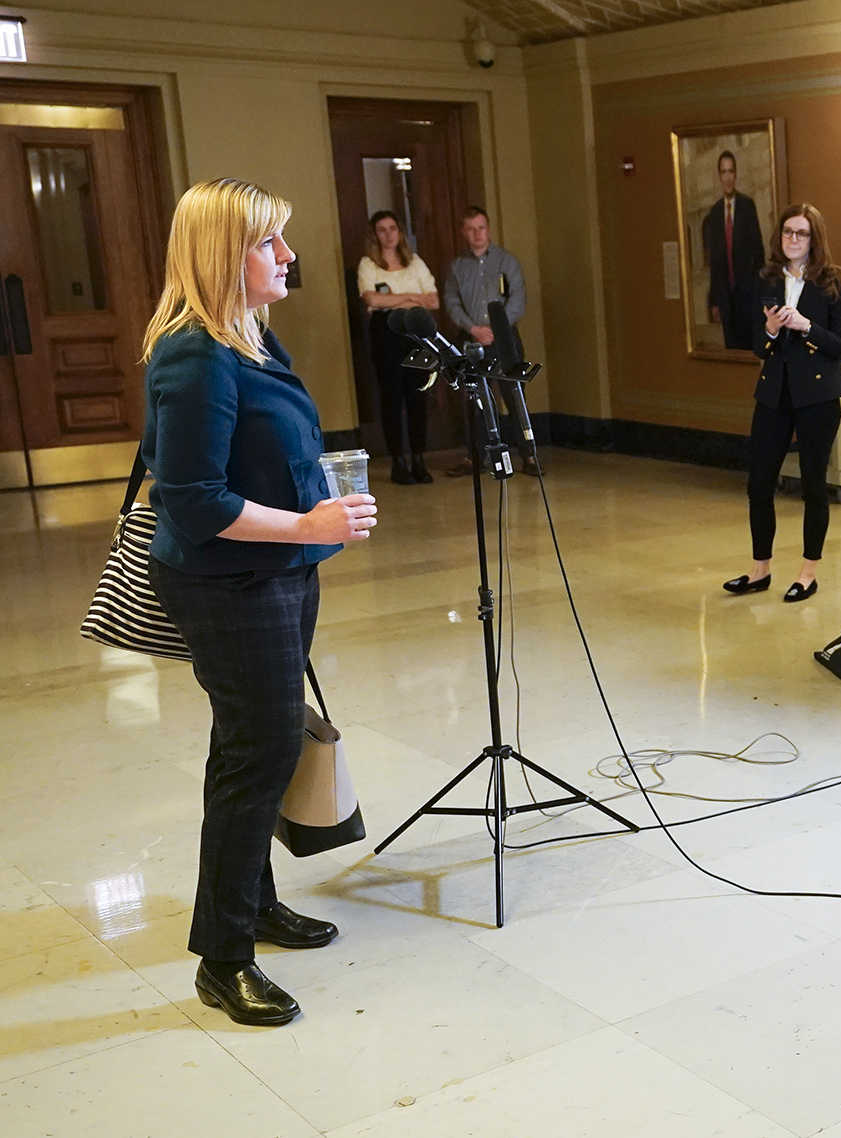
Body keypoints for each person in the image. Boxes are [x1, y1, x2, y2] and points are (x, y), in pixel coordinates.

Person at [141, 178, 379, 1027]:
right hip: (231, 582)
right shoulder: (194, 354)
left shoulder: (250, 340)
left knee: (252, 748)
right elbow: (196, 499)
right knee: (258, 753)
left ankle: (255, 902)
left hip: (278, 571)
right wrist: (310, 517)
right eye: (268, 243)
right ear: (220, 255)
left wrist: (316, 520)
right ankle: (223, 957)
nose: (287, 256)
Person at [723, 204, 841, 603]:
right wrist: (771, 329)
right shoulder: (765, 280)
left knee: (814, 484)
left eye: (801, 233)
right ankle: (759, 568)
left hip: (818, 394)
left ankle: (808, 572)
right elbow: (758, 346)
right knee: (759, 482)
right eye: (787, 233)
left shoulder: (835, 282)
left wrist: (806, 326)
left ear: (815, 239)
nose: (792, 240)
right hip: (774, 391)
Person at [442, 207, 532, 477]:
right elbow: (451, 301)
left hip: (505, 339)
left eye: (480, 228)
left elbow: (518, 299)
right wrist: (473, 328)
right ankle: (475, 458)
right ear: (463, 232)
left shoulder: (507, 261)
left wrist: (495, 328)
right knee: (476, 400)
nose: (476, 234)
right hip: (472, 340)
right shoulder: (457, 267)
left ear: (488, 229)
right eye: (470, 229)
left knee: (515, 396)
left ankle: (528, 457)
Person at [354, 210, 441, 485]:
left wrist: (391, 298)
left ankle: (418, 458)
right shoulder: (369, 264)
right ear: (375, 234)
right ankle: (398, 461)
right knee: (391, 398)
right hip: (385, 334)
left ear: (400, 232)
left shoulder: (414, 262)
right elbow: (371, 299)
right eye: (382, 229)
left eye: (393, 228)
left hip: (416, 335)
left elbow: (434, 301)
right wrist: (412, 298)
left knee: (418, 396)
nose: (389, 234)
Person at [702, 150, 766, 351]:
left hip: (747, 297)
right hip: (725, 299)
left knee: (749, 350)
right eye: (723, 172)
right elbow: (715, 262)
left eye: (731, 172)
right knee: (731, 350)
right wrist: (714, 301)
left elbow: (758, 253)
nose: (728, 177)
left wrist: (758, 292)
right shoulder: (715, 213)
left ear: (736, 174)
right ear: (719, 176)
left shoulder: (747, 206)